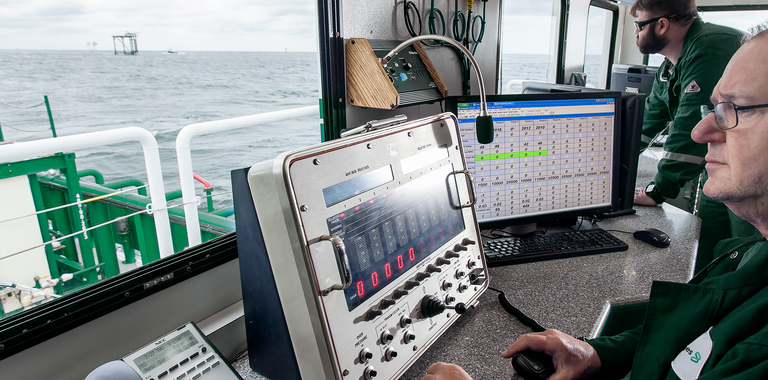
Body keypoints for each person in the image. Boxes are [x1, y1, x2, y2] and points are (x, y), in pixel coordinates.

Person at [422, 23, 768, 380]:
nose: (700, 132)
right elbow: (692, 339)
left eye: (735, 108)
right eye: (715, 108)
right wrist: (598, 352)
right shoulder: (753, 257)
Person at [627, 0, 755, 273]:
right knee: (709, 249)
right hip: (719, 167)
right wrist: (607, 169)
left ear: (661, 25)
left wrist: (658, 190)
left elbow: (690, 128)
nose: (635, 33)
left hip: (751, 171)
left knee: (749, 256)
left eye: (638, 25)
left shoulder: (709, 48)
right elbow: (643, 126)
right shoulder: (670, 68)